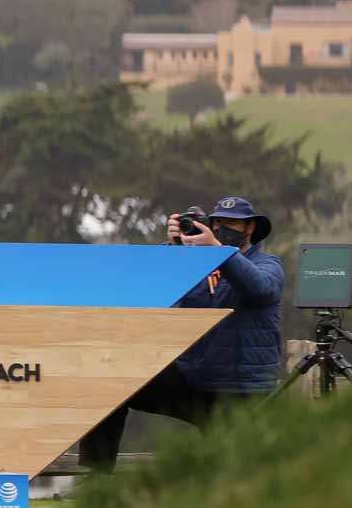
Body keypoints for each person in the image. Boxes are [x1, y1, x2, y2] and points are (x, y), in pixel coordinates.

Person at [78, 196, 284, 471]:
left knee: (239, 474)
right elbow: (145, 288)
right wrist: (173, 249)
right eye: (218, 222)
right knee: (112, 384)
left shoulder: (268, 263)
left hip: (241, 391)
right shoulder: (192, 264)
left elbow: (259, 289)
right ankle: (94, 478)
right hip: (193, 381)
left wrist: (218, 250)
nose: (223, 228)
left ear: (249, 229)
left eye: (232, 223)